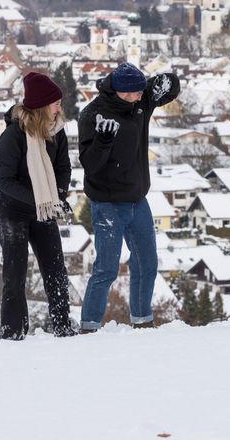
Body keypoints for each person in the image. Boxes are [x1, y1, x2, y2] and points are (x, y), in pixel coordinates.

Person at [78, 62, 180, 332]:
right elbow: (90, 164)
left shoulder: (139, 103)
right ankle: (89, 326)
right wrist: (102, 142)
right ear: (120, 92)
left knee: (147, 263)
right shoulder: (92, 115)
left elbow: (170, 89)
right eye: (135, 92)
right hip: (108, 203)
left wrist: (164, 79)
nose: (141, 95)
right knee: (107, 269)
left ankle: (142, 319)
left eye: (141, 91)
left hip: (137, 198)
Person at [0, 71, 75, 340]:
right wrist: (39, 199)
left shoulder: (56, 132)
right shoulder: (13, 136)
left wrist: (59, 195)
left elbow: (63, 167)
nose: (59, 108)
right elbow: (4, 180)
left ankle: (63, 326)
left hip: (45, 209)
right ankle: (13, 332)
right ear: (42, 106)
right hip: (13, 211)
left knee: (55, 270)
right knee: (15, 275)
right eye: (55, 104)